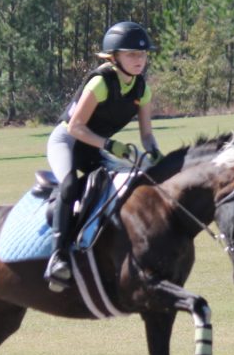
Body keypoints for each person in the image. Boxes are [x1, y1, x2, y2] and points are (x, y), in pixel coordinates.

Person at [44, 21, 162, 291]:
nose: (139, 60)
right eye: (132, 54)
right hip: (68, 142)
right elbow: (75, 127)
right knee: (70, 185)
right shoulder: (100, 82)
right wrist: (110, 145)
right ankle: (58, 257)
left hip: (96, 147)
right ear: (114, 57)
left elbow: (146, 135)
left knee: (134, 181)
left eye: (142, 54)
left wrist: (154, 152)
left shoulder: (142, 88)